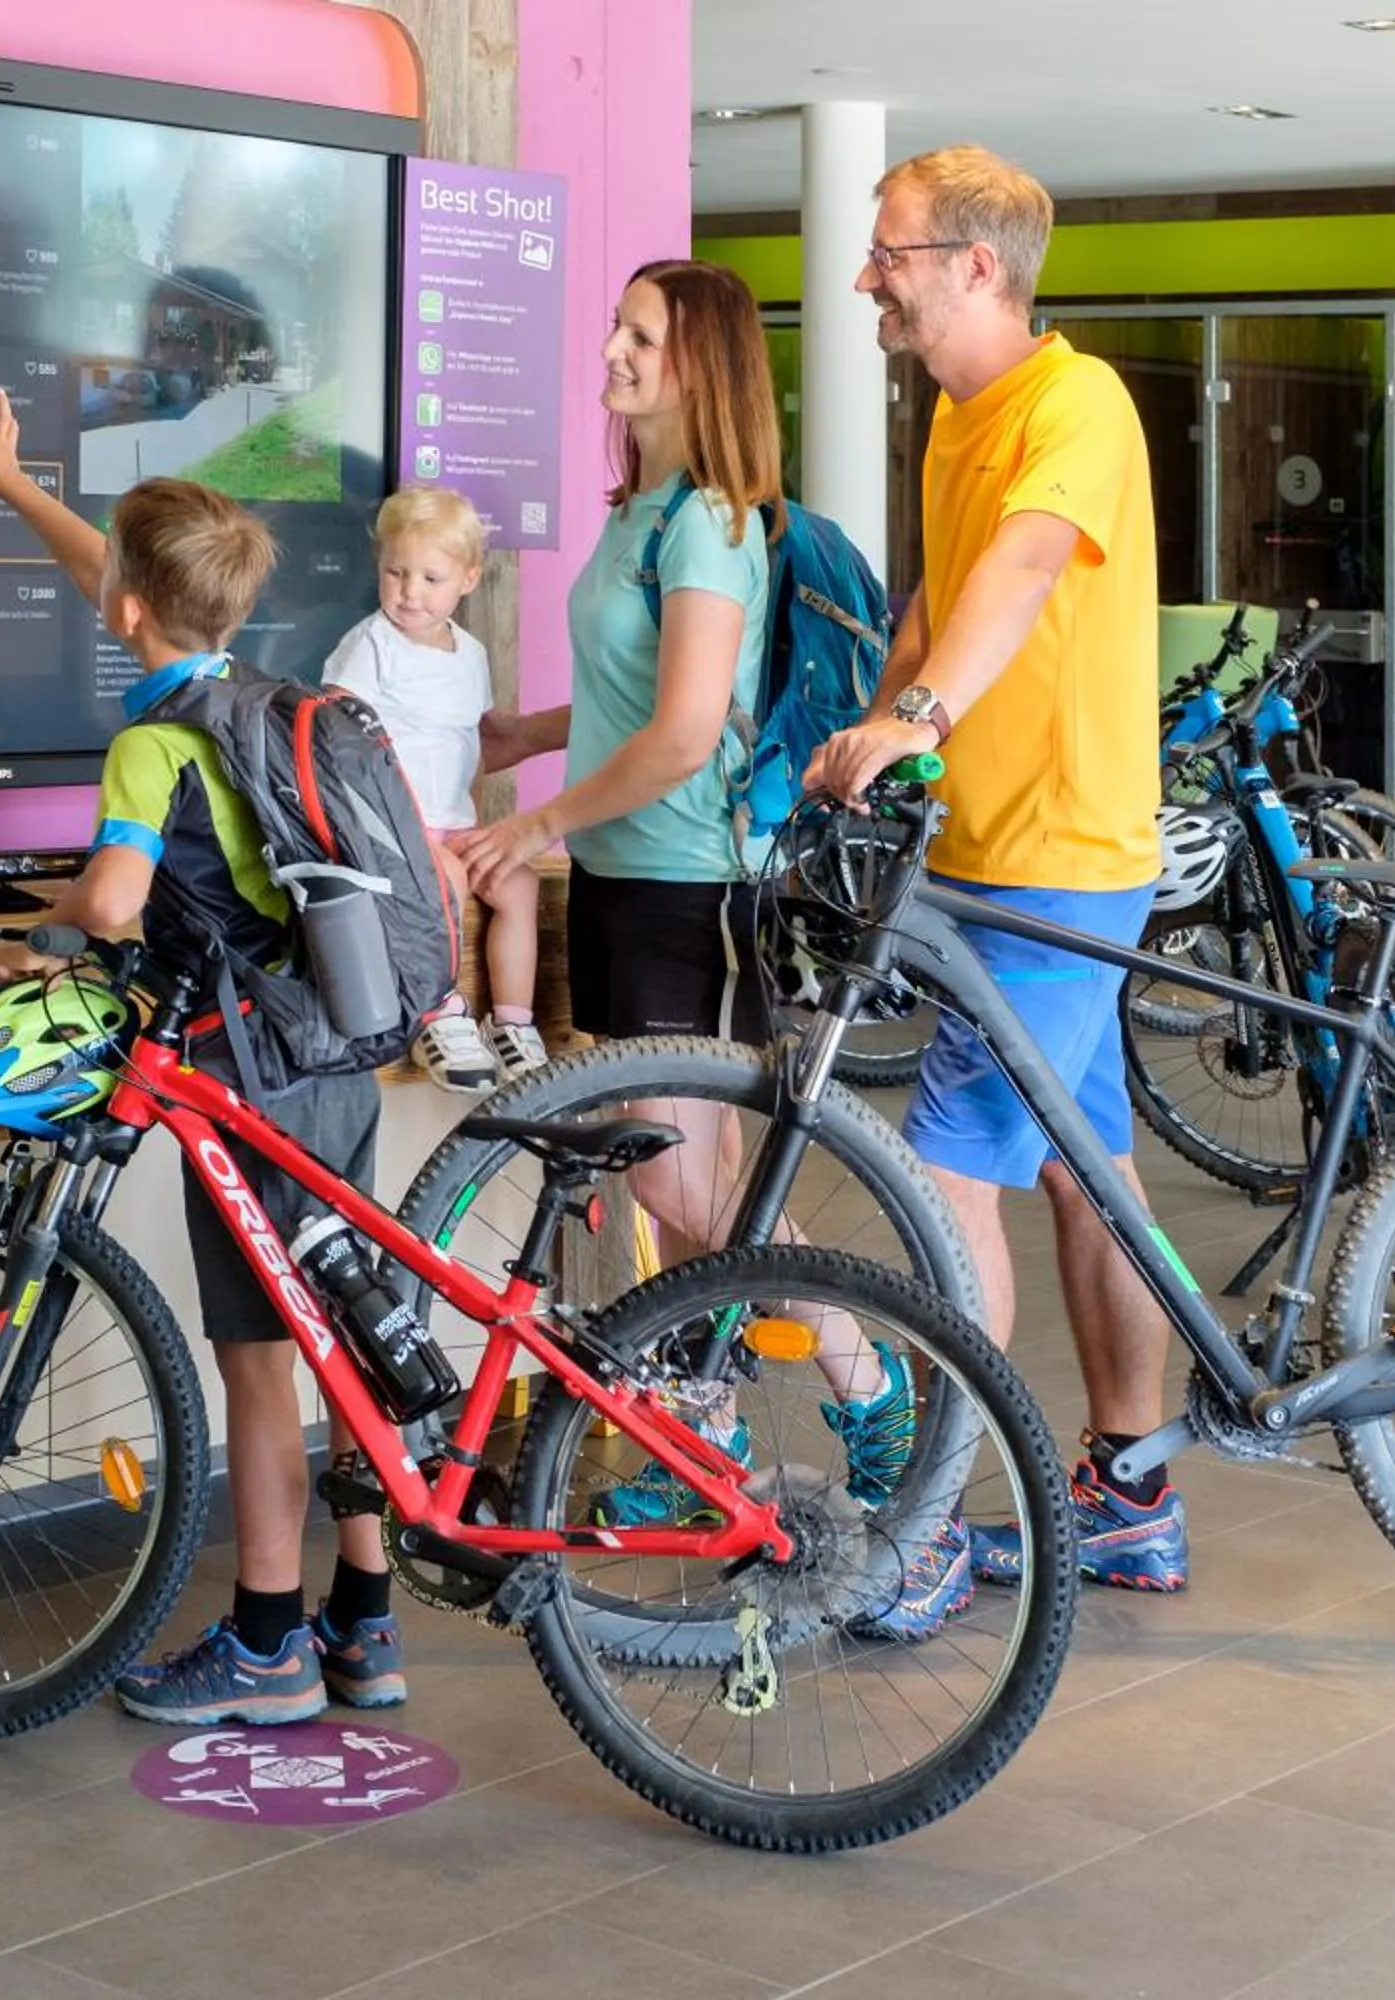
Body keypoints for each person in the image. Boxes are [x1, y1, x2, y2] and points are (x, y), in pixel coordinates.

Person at [0, 384, 406, 1723]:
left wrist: (45, 924)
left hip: (246, 1078)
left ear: (129, 611)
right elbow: (129, 574)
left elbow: (115, 901)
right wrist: (11, 485)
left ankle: (265, 1643)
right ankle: (365, 1622)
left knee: (259, 1358)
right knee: (348, 1334)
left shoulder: (150, 743)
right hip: (334, 1054)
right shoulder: (250, 694)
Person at [463, 262, 930, 1622]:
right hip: (627, 884)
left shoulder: (715, 523)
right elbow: (646, 694)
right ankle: (702, 1437)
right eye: (618, 327)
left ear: (700, 365)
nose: (613, 350)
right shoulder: (642, 511)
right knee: (692, 1190)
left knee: (683, 1186)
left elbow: (682, 737)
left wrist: (532, 825)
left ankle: (864, 1376)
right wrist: (530, 734)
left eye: (642, 335)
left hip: (691, 890)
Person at [803, 146, 1188, 1594]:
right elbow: (939, 602)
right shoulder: (958, 418)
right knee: (1093, 1180)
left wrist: (915, 718)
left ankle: (927, 1532)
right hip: (999, 850)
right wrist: (869, 731)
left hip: (1051, 858)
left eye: (890, 254)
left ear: (976, 267)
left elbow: (1026, 567)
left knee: (947, 1182)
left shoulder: (1073, 403)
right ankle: (1132, 1492)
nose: (867, 278)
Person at [323, 487, 545, 1094]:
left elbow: (468, 741)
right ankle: (438, 1012)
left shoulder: (470, 654)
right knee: (444, 878)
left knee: (518, 884)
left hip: (452, 820)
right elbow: (334, 730)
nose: (409, 592)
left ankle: (513, 1023)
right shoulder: (371, 644)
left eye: (430, 578)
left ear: (469, 579)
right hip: (393, 825)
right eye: (396, 572)